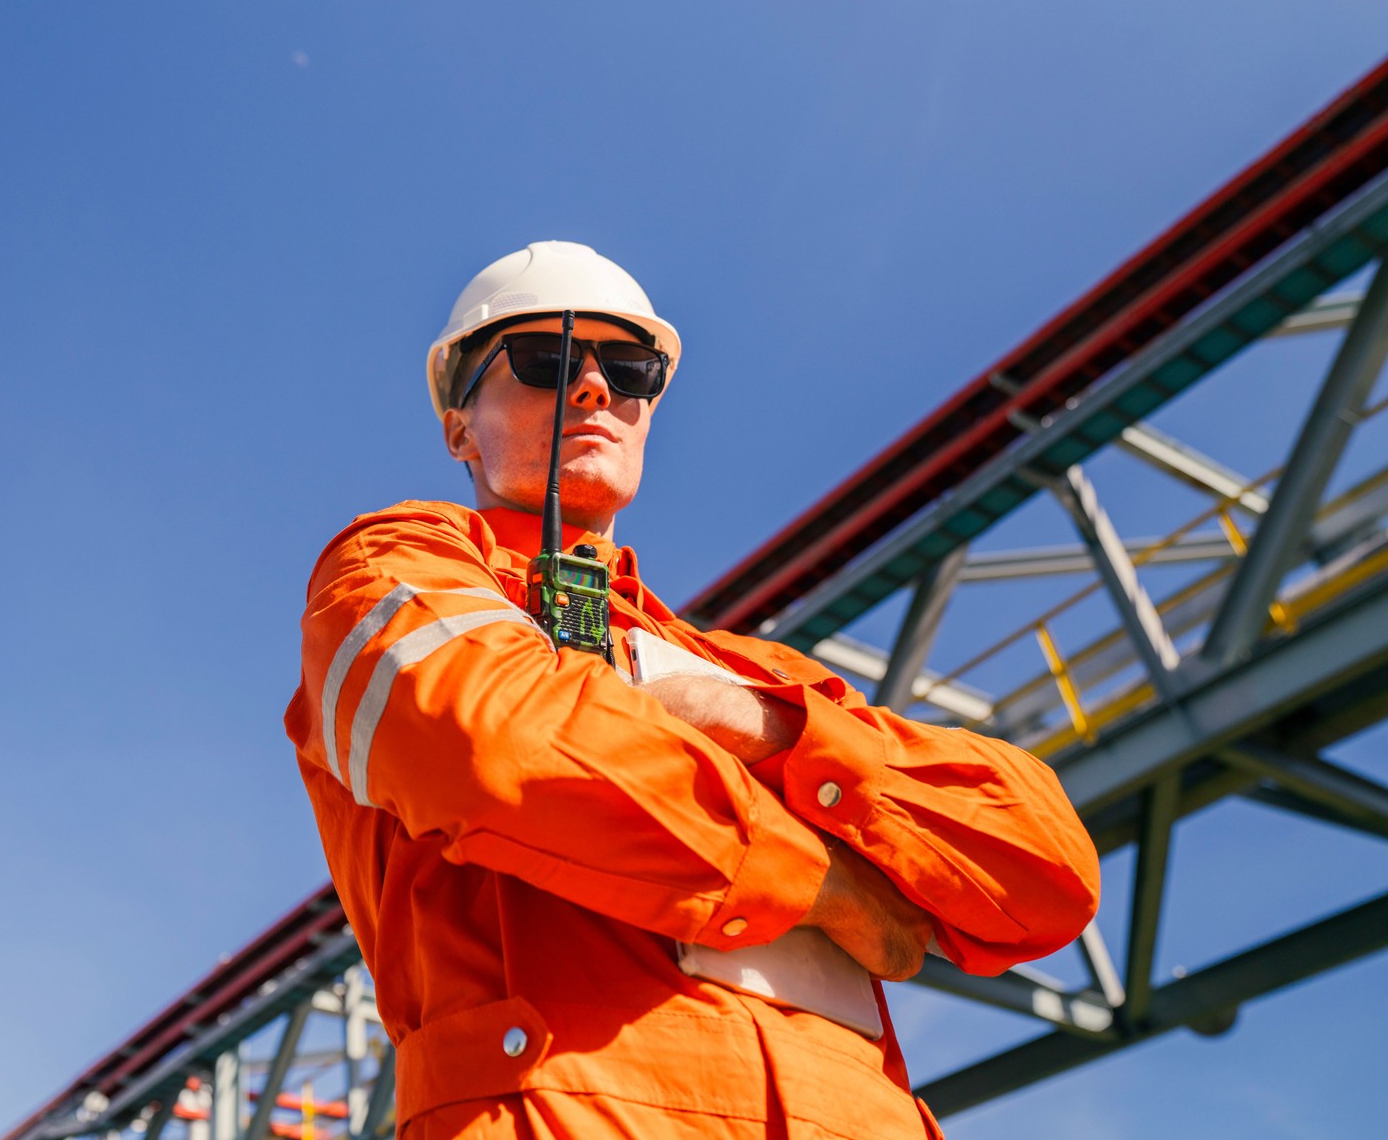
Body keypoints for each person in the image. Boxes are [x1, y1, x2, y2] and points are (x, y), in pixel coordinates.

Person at [284, 241, 1099, 1139]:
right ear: (457, 427)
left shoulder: (756, 674)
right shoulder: (396, 563)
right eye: (544, 360)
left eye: (629, 367)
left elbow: (1048, 870)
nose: (594, 388)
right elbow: (489, 741)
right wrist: (828, 886)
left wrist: (746, 718)